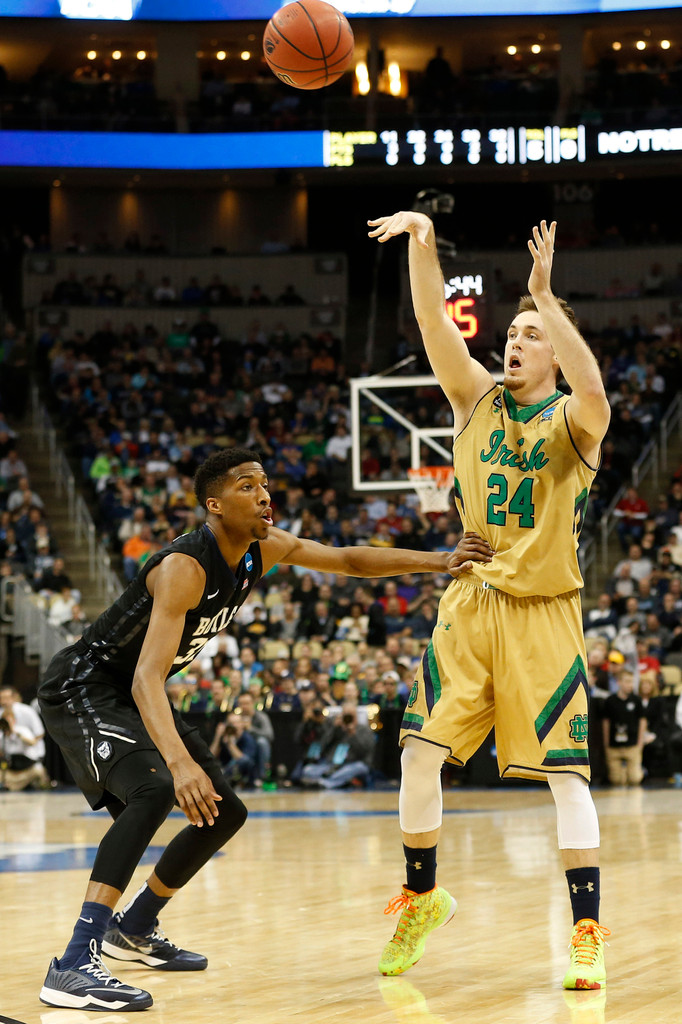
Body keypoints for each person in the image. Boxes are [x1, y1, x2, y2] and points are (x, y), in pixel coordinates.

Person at [37, 446, 491, 1011]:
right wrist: (180, 765)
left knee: (224, 811)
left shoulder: (261, 549)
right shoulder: (185, 567)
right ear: (214, 505)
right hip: (87, 687)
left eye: (265, 484)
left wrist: (439, 559)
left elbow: (347, 559)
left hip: (133, 692)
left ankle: (133, 928)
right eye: (247, 486)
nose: (264, 495)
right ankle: (75, 962)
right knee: (157, 790)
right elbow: (147, 679)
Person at [368, 212, 611, 988]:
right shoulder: (473, 399)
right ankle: (421, 895)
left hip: (545, 610)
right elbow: (433, 319)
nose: (514, 339)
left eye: (531, 333)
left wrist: (547, 294)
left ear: (555, 351)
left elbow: (597, 388)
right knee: (416, 752)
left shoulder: (573, 423)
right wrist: (425, 240)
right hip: (473, 602)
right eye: (512, 329)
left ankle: (586, 933)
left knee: (568, 777)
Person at [0, 685, 51, 792]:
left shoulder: (24, 723)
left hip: (28, 760)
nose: (4, 701)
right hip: (10, 763)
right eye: (1, 698)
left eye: (6, 698)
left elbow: (38, 734)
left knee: (37, 771)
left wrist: (17, 734)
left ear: (14, 697)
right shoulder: (1, 718)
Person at [602, 670, 646, 786]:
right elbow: (606, 722)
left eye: (632, 682)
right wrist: (606, 743)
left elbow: (642, 721)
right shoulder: (610, 701)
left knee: (635, 779)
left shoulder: (636, 700)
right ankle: (621, 774)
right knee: (616, 780)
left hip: (632, 744)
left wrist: (640, 742)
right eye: (627, 681)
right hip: (614, 745)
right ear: (619, 682)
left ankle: (630, 773)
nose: (630, 685)